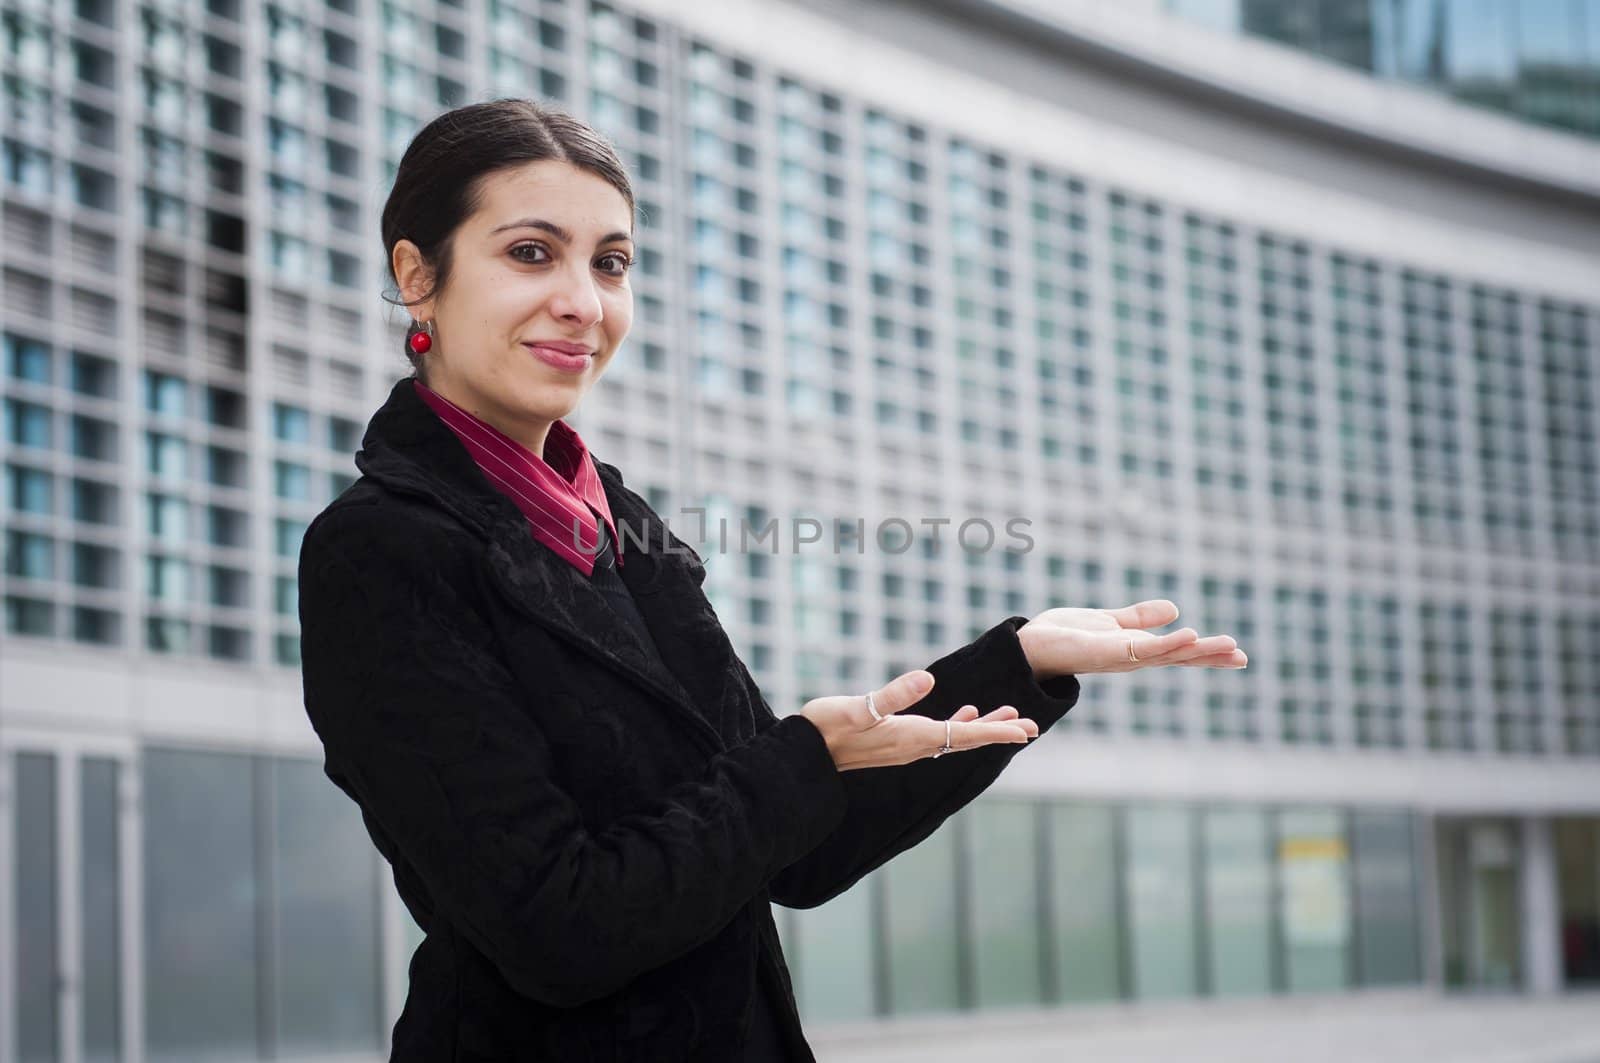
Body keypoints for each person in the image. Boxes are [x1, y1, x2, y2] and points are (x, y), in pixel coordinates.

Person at [296, 98, 1247, 1063]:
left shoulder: (617, 521)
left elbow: (794, 846)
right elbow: (557, 927)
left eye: (611, 262)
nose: (584, 301)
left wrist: (1018, 661)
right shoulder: (379, 552)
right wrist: (801, 758)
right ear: (418, 276)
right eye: (532, 253)